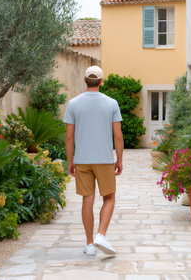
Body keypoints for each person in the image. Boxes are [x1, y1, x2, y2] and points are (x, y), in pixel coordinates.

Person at [63, 66, 124, 256]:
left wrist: (70, 161)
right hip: (105, 160)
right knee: (110, 198)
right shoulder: (112, 103)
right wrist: (119, 160)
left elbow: (69, 138)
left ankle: (90, 244)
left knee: (87, 200)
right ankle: (101, 234)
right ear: (101, 81)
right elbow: (118, 135)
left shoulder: (73, 104)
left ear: (84, 80)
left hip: (82, 161)